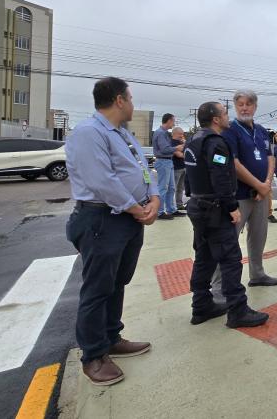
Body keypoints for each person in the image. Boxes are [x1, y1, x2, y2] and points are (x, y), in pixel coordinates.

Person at [65, 77, 159, 386]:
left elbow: (146, 168)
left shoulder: (122, 134)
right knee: (97, 288)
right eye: (130, 98)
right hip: (102, 219)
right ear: (119, 100)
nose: (133, 104)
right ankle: (93, 355)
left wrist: (155, 197)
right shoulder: (88, 132)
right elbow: (101, 181)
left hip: (128, 218)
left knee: (118, 281)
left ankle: (110, 337)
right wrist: (137, 207)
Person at [184, 101, 269, 329]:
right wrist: (231, 207)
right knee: (231, 259)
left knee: (204, 257)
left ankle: (200, 305)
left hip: (197, 204)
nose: (227, 117)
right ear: (215, 119)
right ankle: (237, 310)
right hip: (214, 208)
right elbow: (220, 175)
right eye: (224, 113)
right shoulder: (216, 143)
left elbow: (191, 174)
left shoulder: (193, 140)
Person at [215, 90, 277, 289]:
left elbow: (270, 157)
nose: (244, 108)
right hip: (239, 196)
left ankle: (257, 274)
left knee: (259, 236)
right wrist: (259, 185)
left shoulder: (261, 131)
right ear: (235, 107)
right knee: (228, 240)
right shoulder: (230, 131)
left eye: (249, 104)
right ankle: (218, 286)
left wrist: (266, 184)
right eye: (240, 104)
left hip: (261, 195)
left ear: (255, 107)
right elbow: (233, 163)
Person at [152, 113, 182, 219]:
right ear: (169, 121)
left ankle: (171, 209)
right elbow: (164, 149)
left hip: (168, 162)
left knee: (171, 188)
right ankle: (159, 212)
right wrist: (177, 148)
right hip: (163, 161)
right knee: (163, 187)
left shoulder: (164, 133)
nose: (173, 124)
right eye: (173, 121)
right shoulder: (160, 133)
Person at [172, 127, 187, 211]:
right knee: (173, 187)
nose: (182, 136)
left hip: (183, 167)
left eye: (182, 134)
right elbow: (179, 154)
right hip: (176, 168)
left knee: (181, 188)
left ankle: (179, 204)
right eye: (180, 134)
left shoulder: (181, 143)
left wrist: (184, 143)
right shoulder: (172, 143)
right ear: (175, 134)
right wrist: (187, 155)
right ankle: (171, 206)